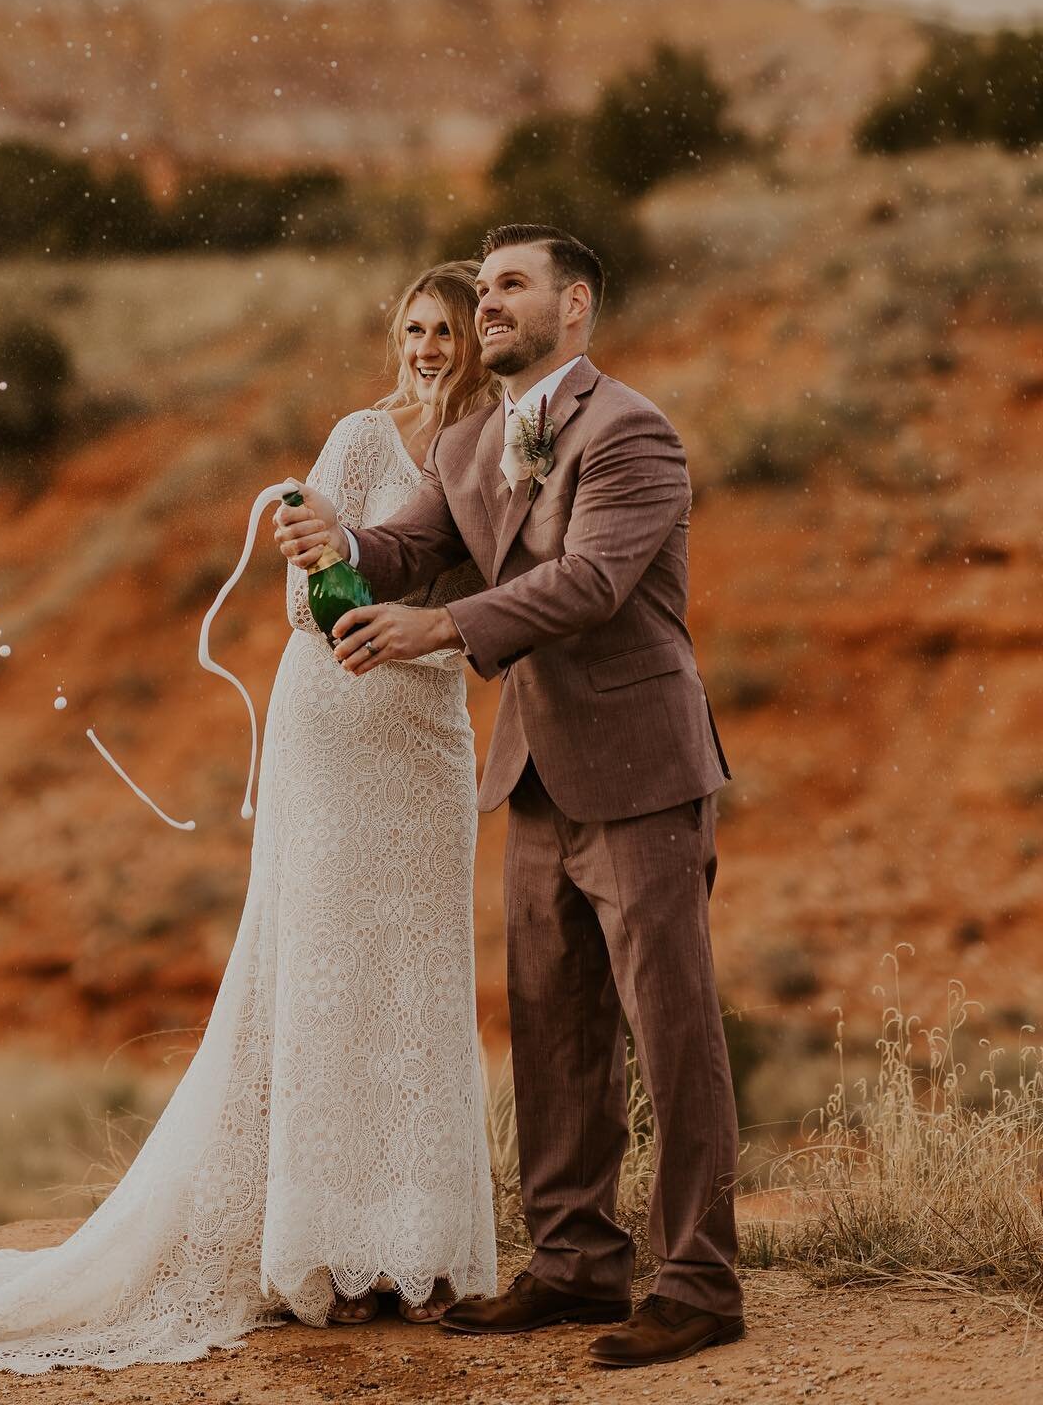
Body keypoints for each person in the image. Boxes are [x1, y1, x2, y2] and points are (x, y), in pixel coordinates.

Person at [0, 261, 499, 1379]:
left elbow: (506, 578)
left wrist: (426, 627)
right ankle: (324, 1258)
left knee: (420, 974)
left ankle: (427, 1251)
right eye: (415, 325)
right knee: (326, 970)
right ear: (394, 333)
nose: (430, 345)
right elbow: (303, 600)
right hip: (338, 724)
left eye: (448, 328)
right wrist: (345, 579)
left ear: (481, 343)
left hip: (432, 736)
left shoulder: (497, 444)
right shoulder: (360, 437)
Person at [276, 223, 742, 1369]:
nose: (488, 304)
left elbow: (586, 583)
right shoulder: (480, 439)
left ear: (574, 305)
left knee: (669, 1027)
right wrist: (341, 539)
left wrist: (441, 627)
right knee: (553, 1023)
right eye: (482, 286)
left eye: (512, 285)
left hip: (641, 770)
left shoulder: (632, 431)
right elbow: (411, 544)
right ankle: (578, 1262)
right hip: (532, 771)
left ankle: (699, 1283)